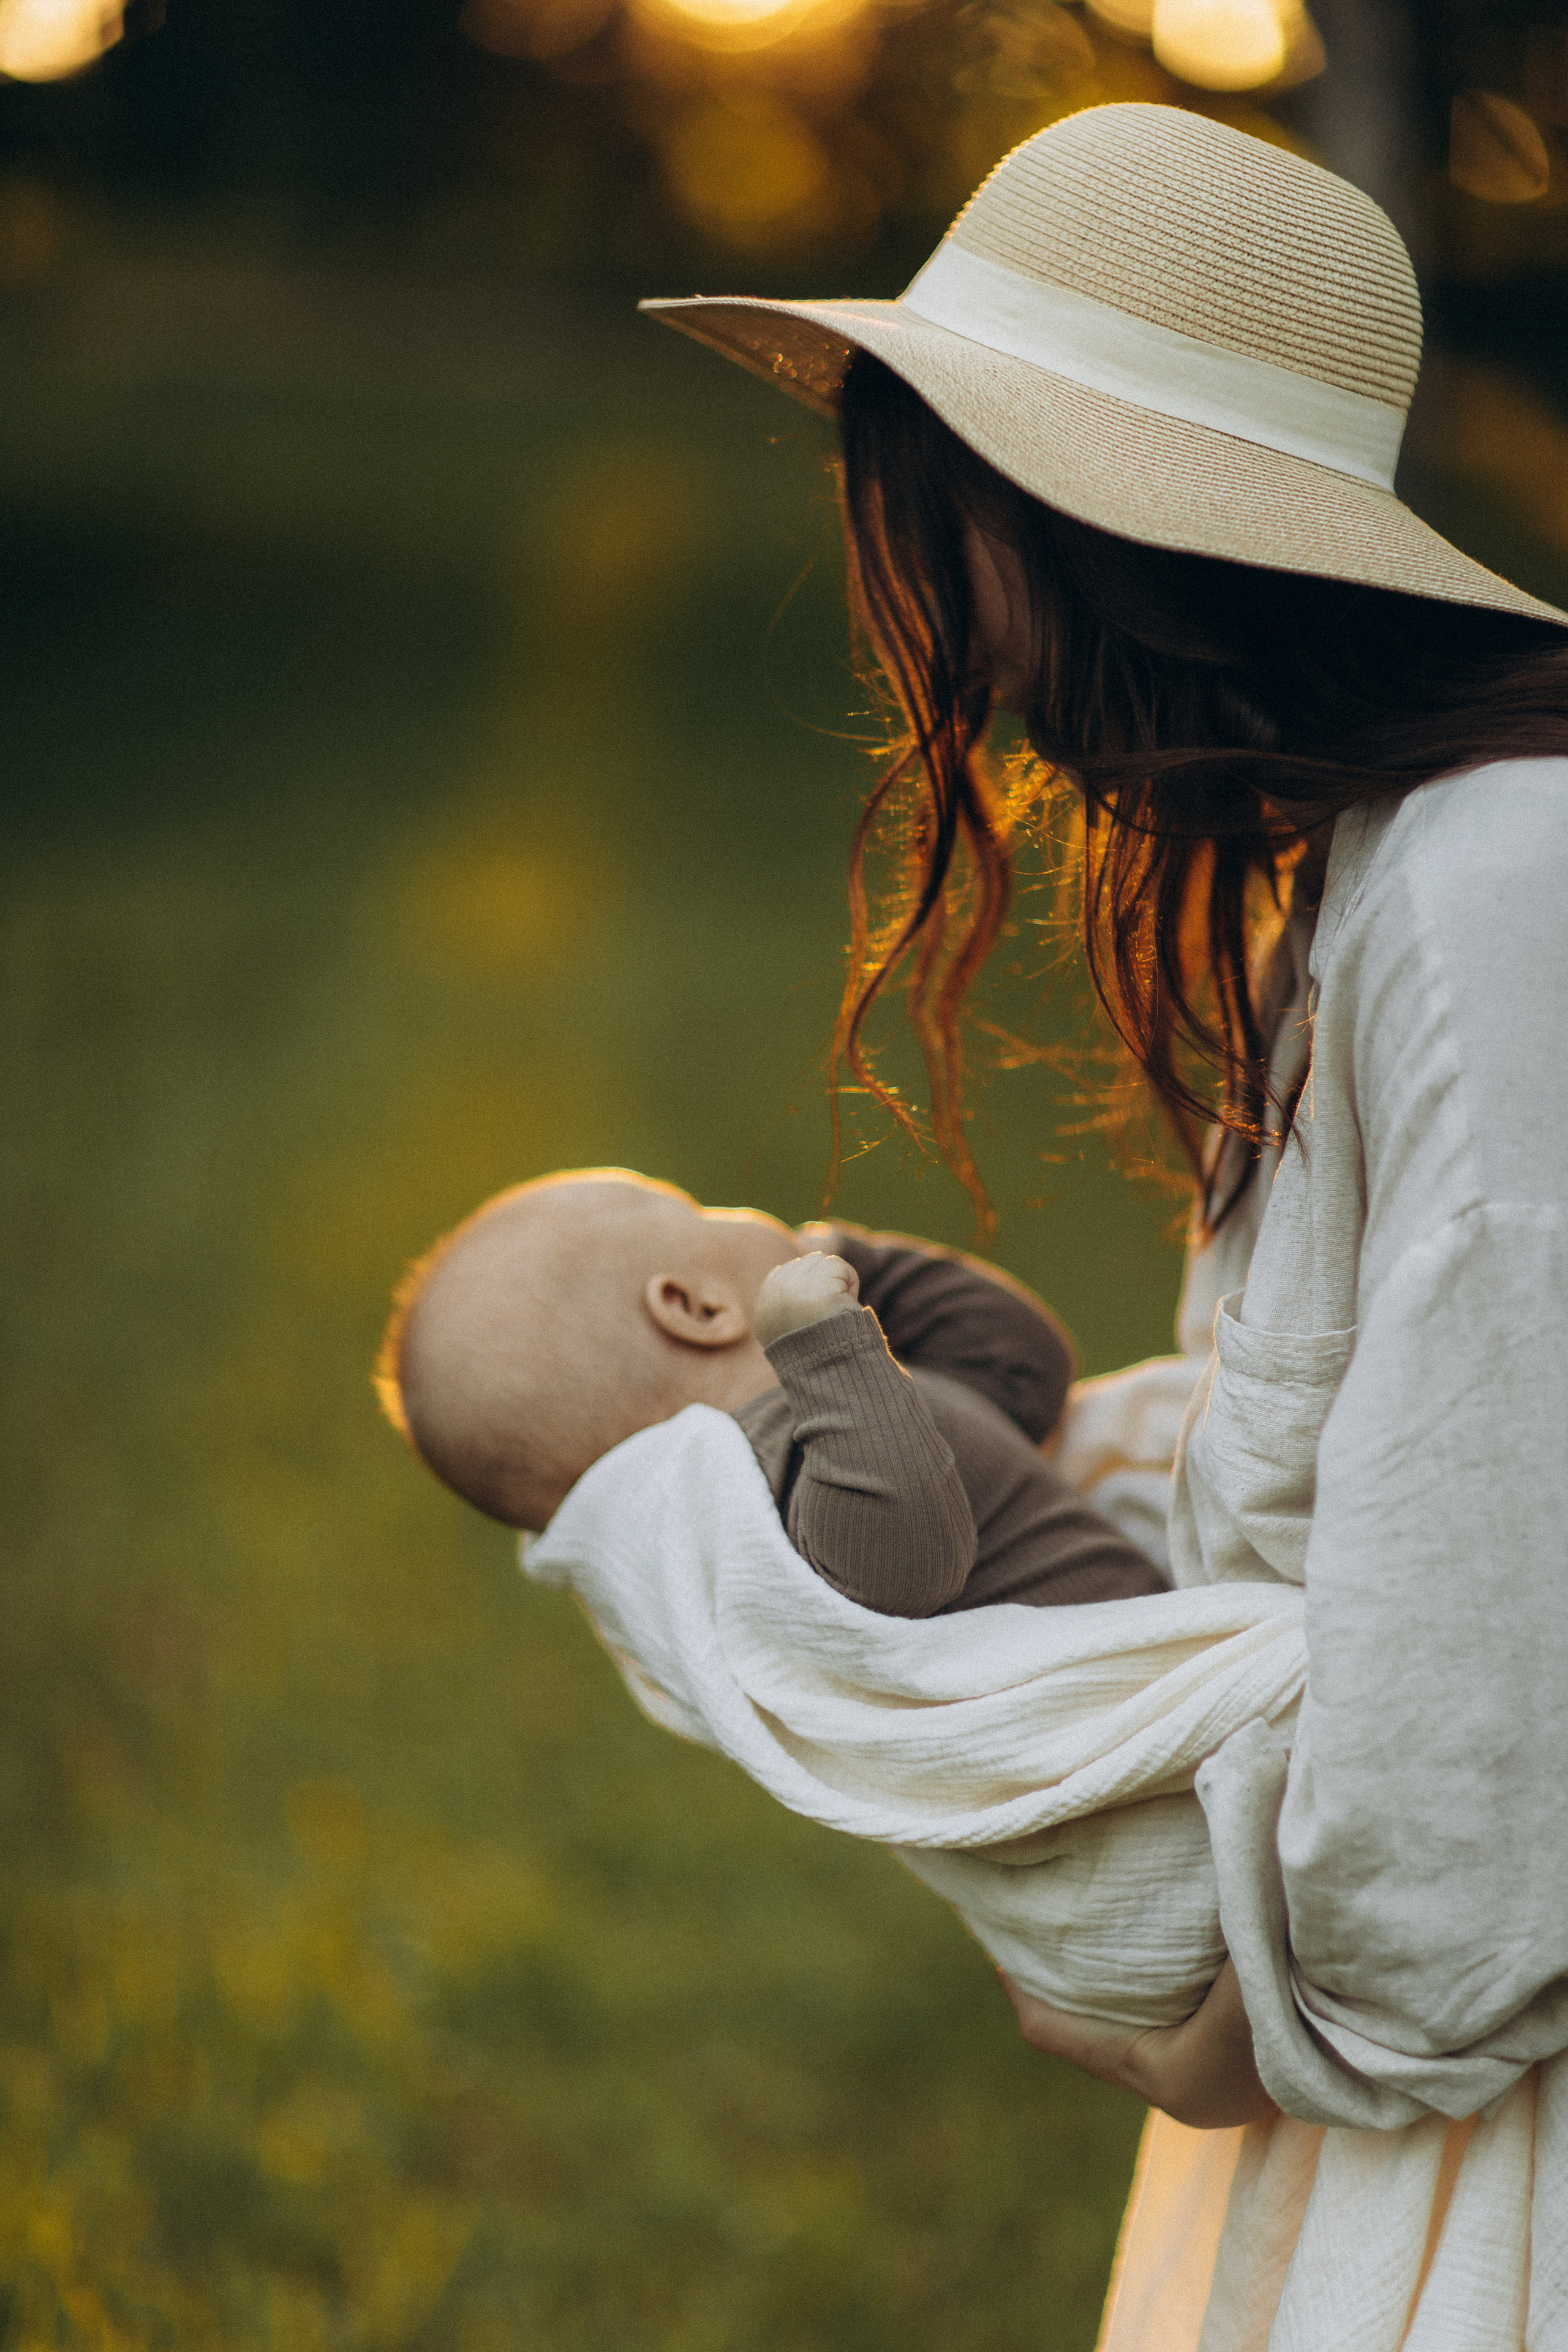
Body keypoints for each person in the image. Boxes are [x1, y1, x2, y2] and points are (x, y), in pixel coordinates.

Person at [639, 99, 1568, 2350]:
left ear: (1073, 520)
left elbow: (1507, 1638)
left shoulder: (1494, 888)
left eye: (934, 512)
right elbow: (1356, 1446)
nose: (917, 600)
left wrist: (1255, 2022)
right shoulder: (1377, 879)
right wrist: (998, 1474)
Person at [375, 1167, 1166, 1611]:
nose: (747, 1212)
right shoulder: (776, 1473)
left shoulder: (857, 1404)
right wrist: (823, 1353)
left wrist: (858, 1264)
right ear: (696, 1308)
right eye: (699, 1207)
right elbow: (908, 1564)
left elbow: (1023, 1370)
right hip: (1150, 1728)